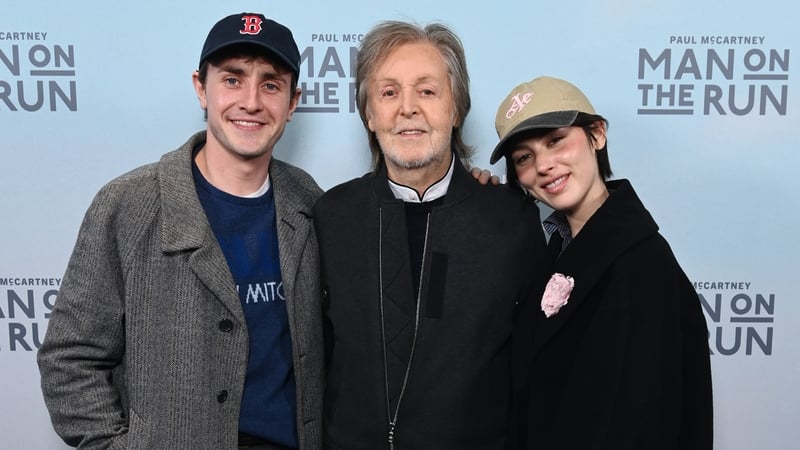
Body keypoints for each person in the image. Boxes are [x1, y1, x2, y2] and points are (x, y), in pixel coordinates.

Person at [37, 13, 323, 450]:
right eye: (232, 80)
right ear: (200, 88)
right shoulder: (129, 204)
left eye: (270, 84)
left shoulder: (310, 202)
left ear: (292, 101)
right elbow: (70, 359)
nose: (251, 102)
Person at [313, 21, 547, 450]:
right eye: (389, 93)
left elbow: (535, 370)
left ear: (456, 110)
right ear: (369, 115)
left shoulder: (511, 220)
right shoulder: (330, 217)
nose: (408, 108)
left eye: (427, 90)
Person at [490, 76, 713, 449]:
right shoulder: (556, 250)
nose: (544, 165)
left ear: (596, 134)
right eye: (524, 158)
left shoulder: (641, 263)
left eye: (555, 140)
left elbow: (641, 423)